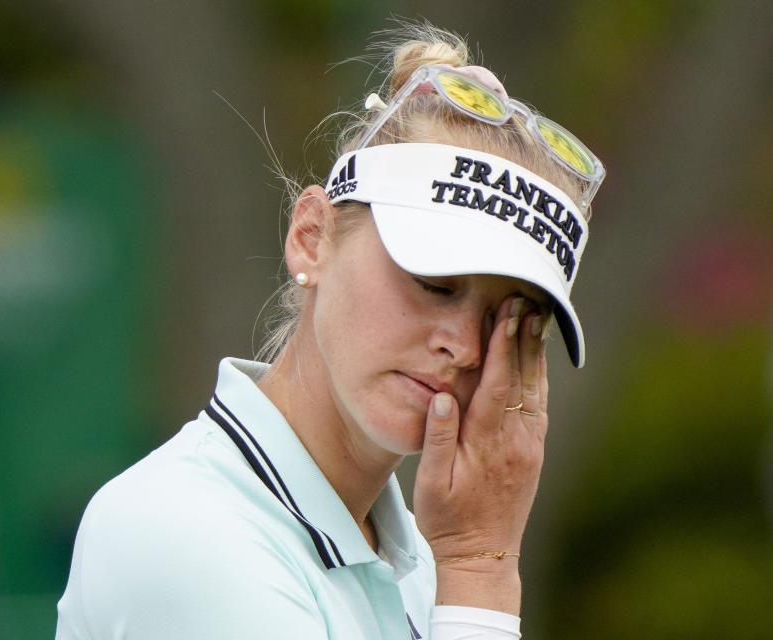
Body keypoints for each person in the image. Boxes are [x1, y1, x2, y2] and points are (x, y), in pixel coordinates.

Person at [56, 23, 604, 640]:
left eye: (507, 322)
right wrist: (481, 569)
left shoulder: (418, 566)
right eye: (434, 283)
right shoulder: (183, 529)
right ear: (311, 237)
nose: (467, 347)